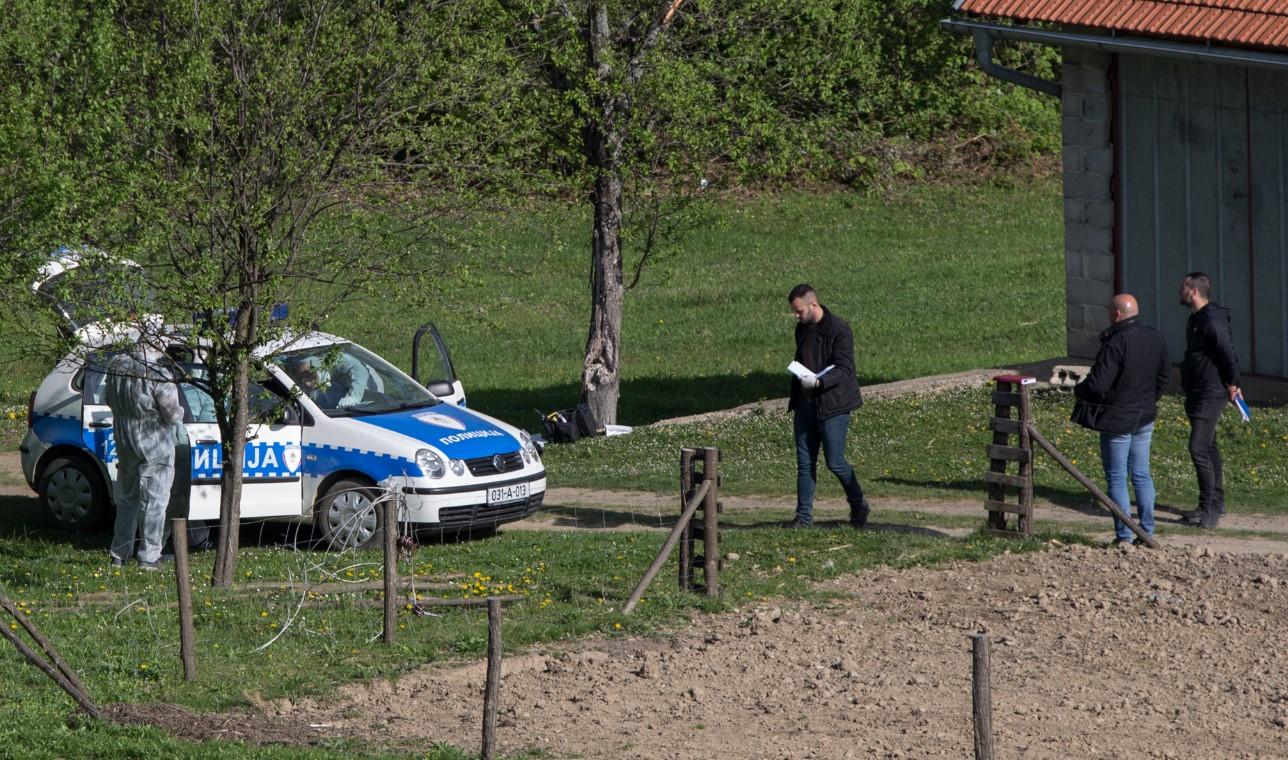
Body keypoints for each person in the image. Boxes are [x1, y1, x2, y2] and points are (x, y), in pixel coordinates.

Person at [1071, 294, 1170, 546]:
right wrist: (1150, 400)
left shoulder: (1116, 343)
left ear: (1116, 314)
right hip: (1144, 415)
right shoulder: (1155, 337)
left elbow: (1099, 385)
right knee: (1141, 474)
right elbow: (1163, 376)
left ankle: (1124, 535)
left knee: (1116, 477)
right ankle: (1146, 531)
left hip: (1118, 419)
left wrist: (1078, 390)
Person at [785, 284, 869, 528]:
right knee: (805, 463)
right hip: (805, 404)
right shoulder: (801, 330)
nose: (797, 316)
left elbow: (844, 368)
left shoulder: (839, 329)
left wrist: (820, 381)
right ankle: (803, 518)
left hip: (833, 405)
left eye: (799, 311)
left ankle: (858, 503)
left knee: (835, 461)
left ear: (813, 304)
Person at [106, 338, 184, 570]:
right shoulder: (158, 373)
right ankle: (149, 557)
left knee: (128, 496)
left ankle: (119, 554)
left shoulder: (116, 366)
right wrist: (180, 414)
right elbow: (171, 414)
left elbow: (108, 399)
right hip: (154, 437)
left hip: (124, 434)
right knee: (155, 499)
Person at [1177, 272, 1241, 529]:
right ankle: (1214, 502)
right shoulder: (1196, 320)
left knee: (1198, 448)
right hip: (1197, 389)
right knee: (1209, 446)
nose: (1178, 291)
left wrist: (1233, 382)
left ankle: (1209, 509)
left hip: (1210, 392)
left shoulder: (1212, 322)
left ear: (1193, 292)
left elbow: (1227, 352)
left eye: (1182, 287)